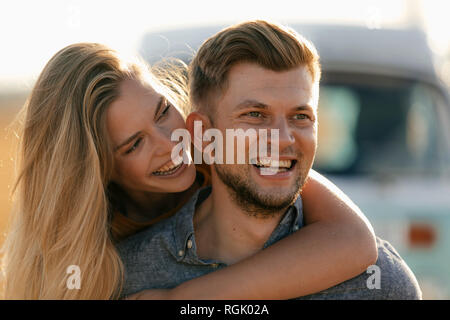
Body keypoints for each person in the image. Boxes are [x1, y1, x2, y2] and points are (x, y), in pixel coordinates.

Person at [1, 40, 377, 299]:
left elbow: (354, 242)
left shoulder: (224, 154)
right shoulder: (93, 257)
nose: (170, 143)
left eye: (163, 112)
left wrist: (182, 297)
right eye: (135, 144)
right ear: (97, 172)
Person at [118, 20, 422, 299]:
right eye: (255, 115)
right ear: (202, 133)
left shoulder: (378, 284)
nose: (283, 138)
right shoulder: (129, 279)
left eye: (300, 116)